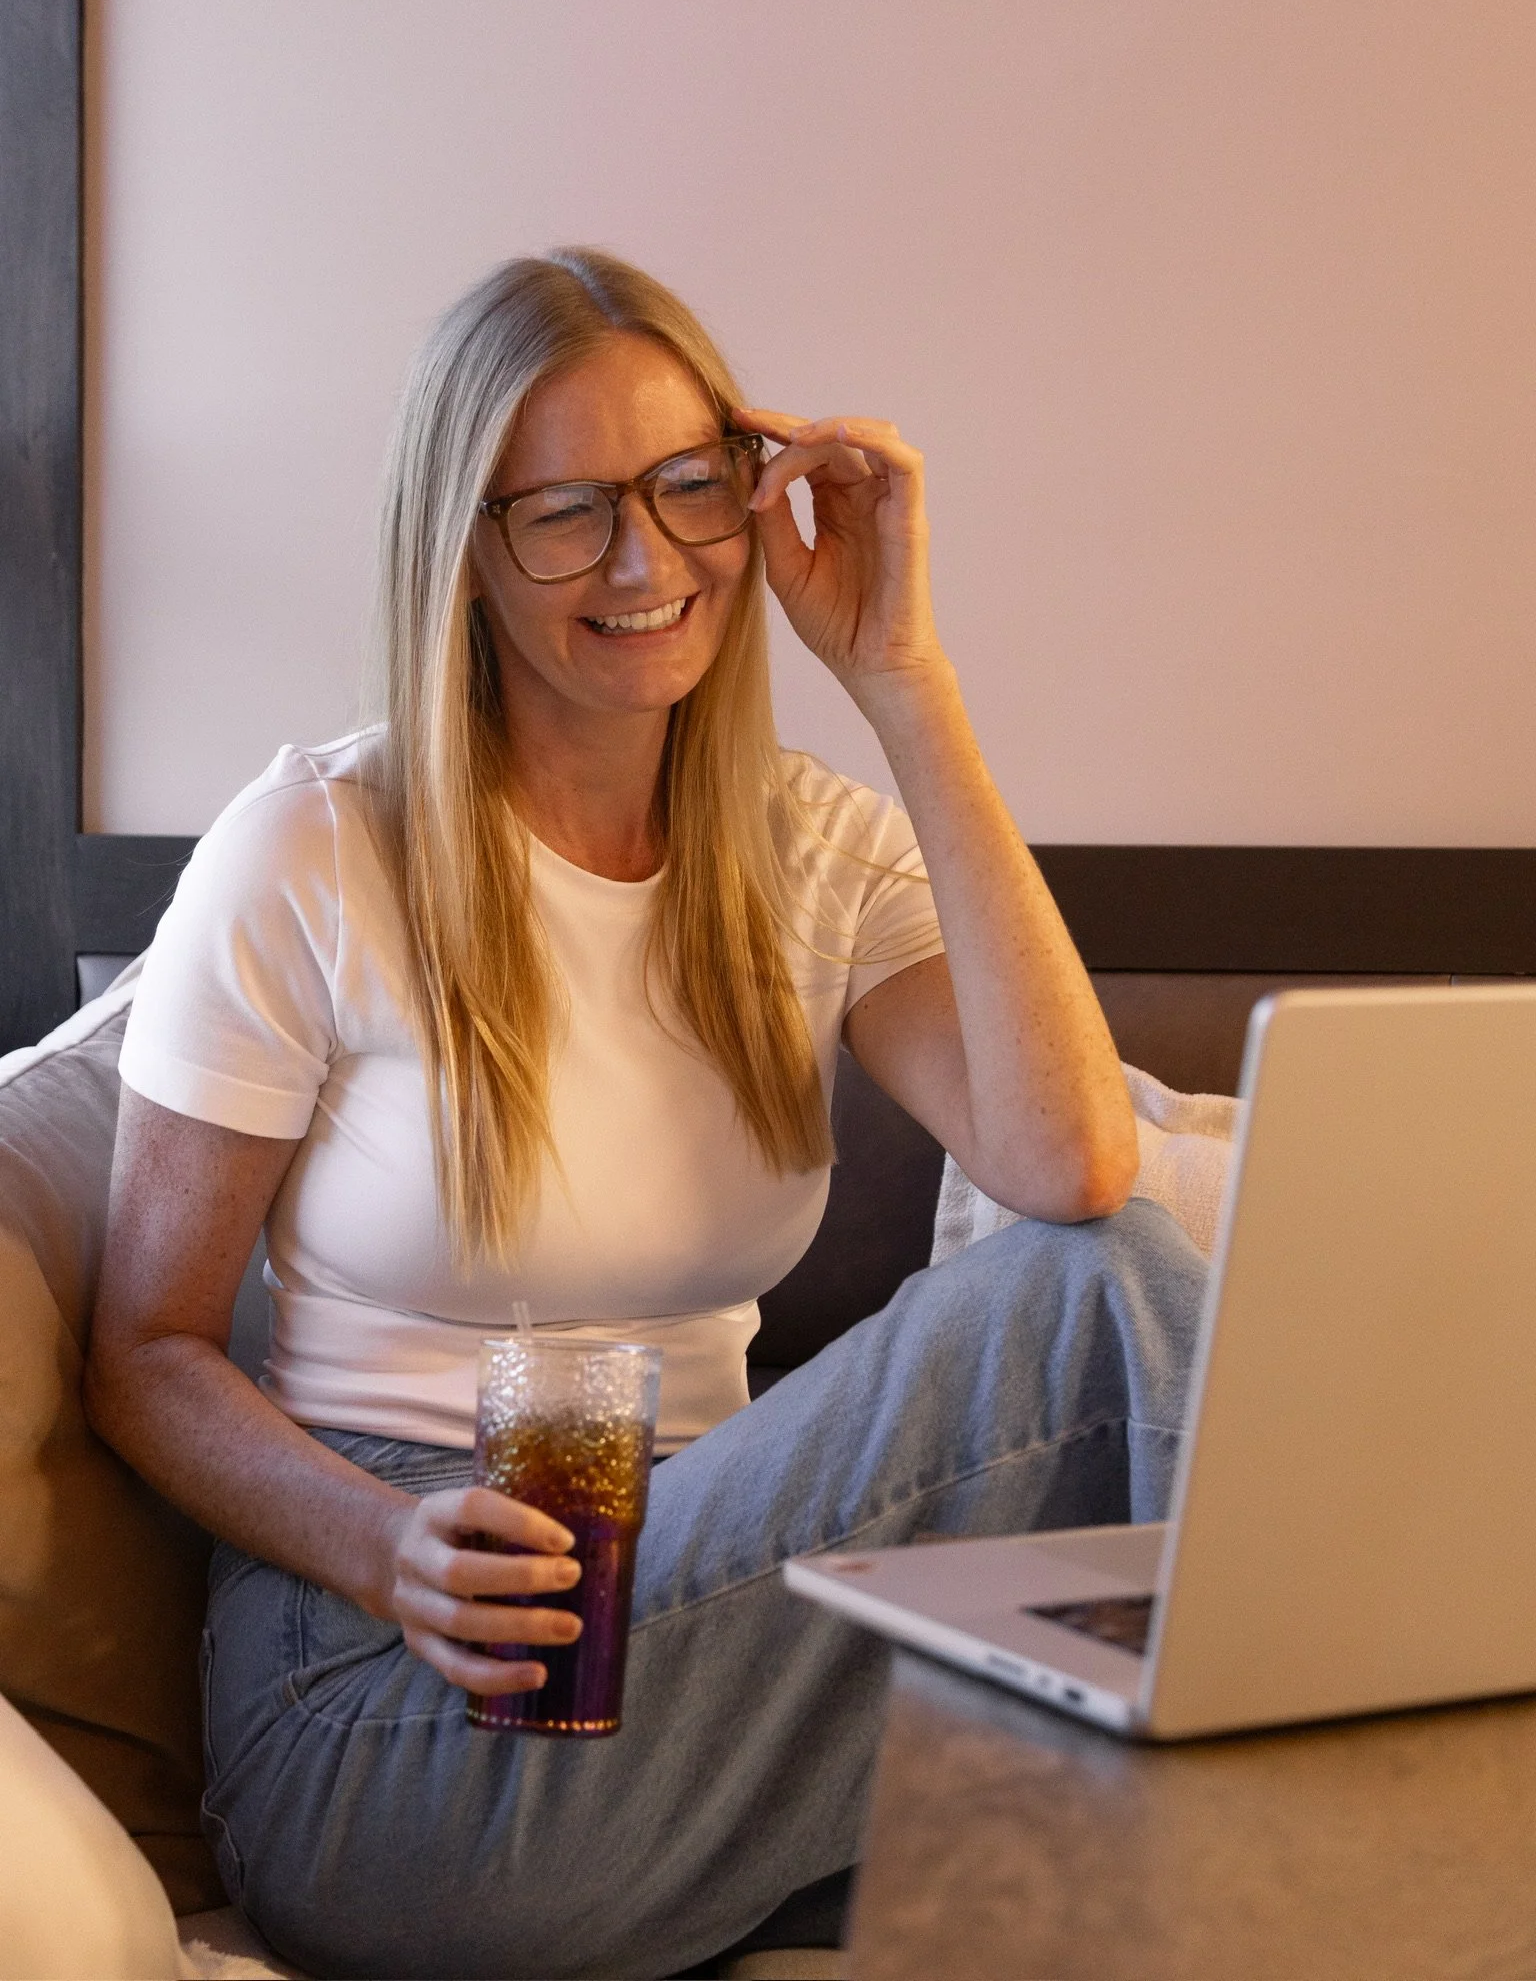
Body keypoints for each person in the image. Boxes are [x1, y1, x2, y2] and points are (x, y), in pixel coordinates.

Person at [85, 250, 1206, 1981]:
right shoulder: (313, 848)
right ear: (463, 547)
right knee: (1102, 1292)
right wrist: (388, 1548)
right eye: (566, 511)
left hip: (709, 1594)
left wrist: (904, 677)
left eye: (691, 488)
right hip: (390, 1664)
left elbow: (1069, 1162)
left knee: (1114, 1244)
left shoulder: (813, 847)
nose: (646, 560)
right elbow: (146, 1350)